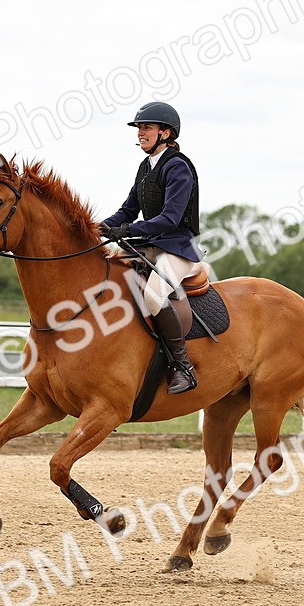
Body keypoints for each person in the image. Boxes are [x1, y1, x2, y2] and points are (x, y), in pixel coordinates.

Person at [99, 101, 201, 394]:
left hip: (177, 247)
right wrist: (98, 227)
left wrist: (128, 230)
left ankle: (183, 367)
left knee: (154, 297)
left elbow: (169, 219)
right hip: (148, 243)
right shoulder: (146, 166)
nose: (141, 133)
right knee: (103, 270)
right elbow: (128, 209)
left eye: (147, 128)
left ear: (165, 133)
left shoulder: (178, 167)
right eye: (140, 128)